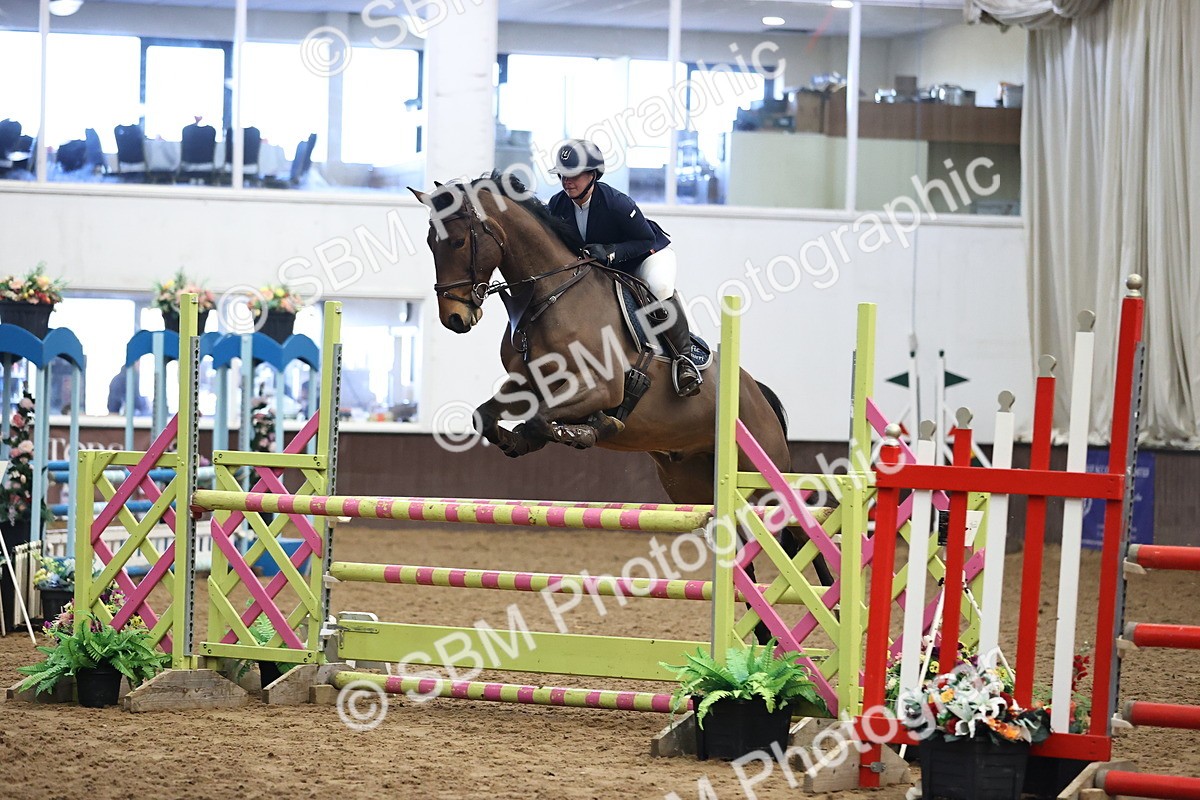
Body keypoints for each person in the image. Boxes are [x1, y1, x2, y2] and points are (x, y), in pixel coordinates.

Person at [546, 139, 702, 398]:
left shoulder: (616, 203)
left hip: (645, 257)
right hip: (607, 269)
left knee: (659, 287)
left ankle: (684, 360)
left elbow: (645, 240)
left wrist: (609, 253)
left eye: (573, 175)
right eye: (562, 175)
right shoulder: (557, 204)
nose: (566, 181)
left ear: (593, 175)